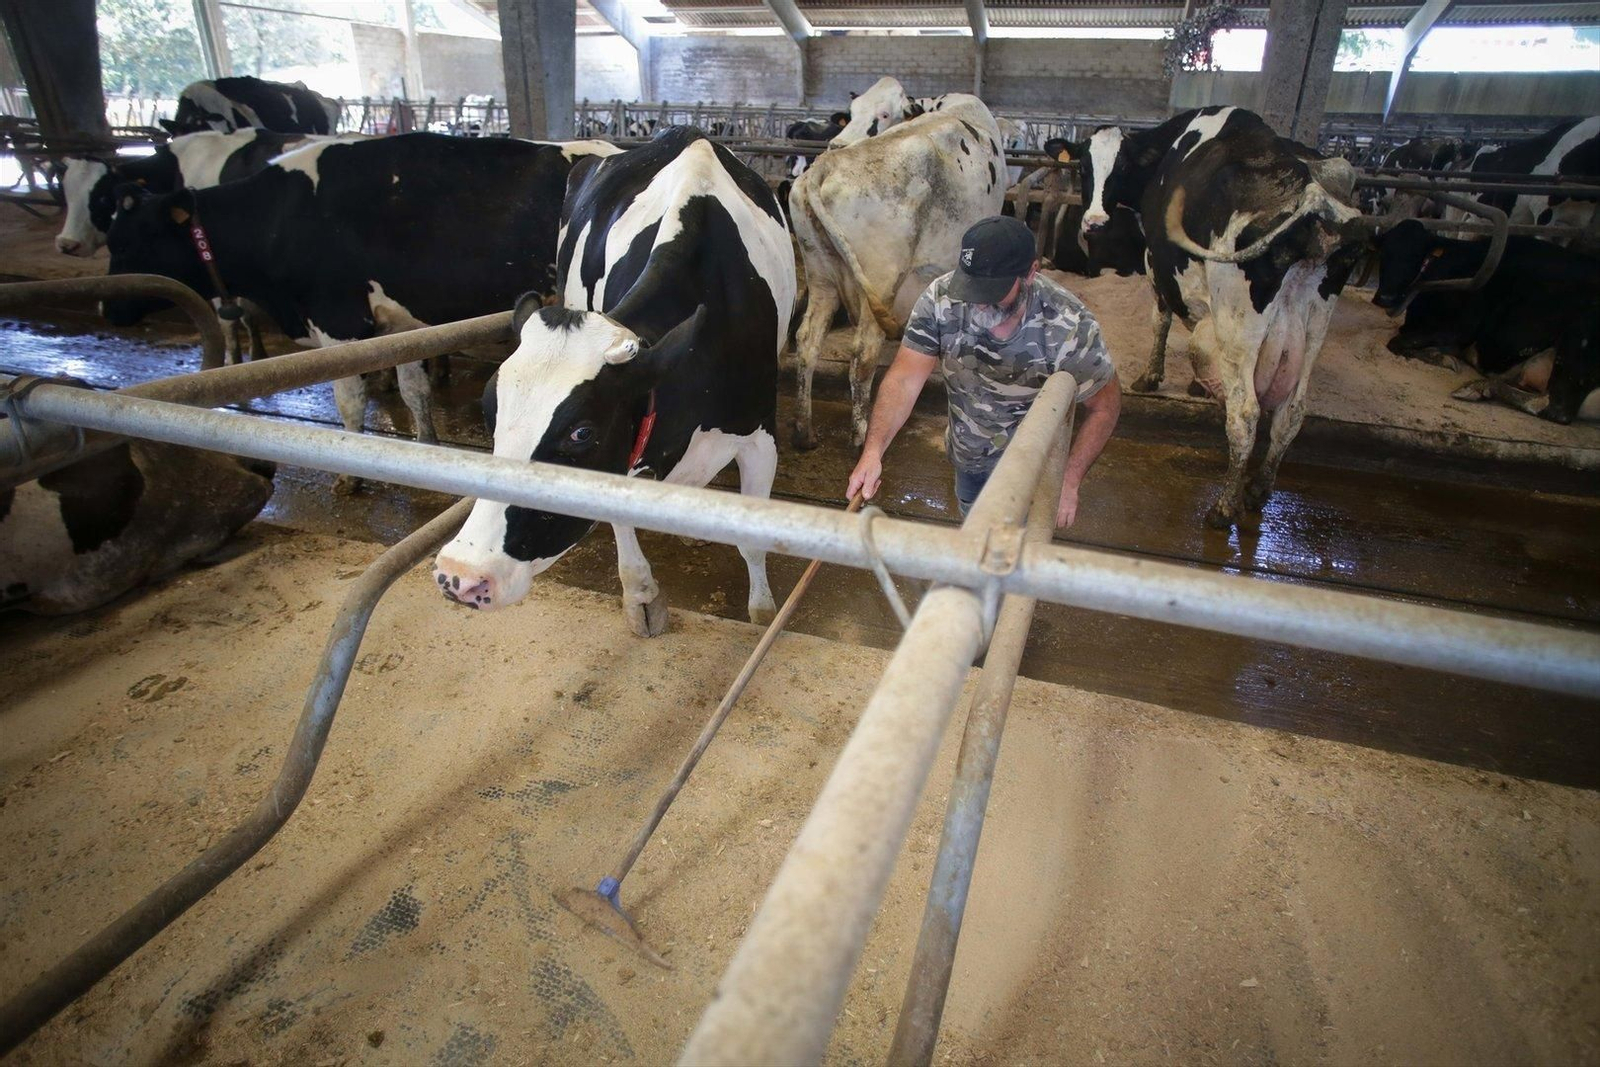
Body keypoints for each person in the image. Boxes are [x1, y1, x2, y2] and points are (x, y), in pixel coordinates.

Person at [846, 215, 1121, 526]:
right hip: (970, 457)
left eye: (991, 290)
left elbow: (1105, 406)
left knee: (1016, 554)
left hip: (1035, 471)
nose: (976, 303)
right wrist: (873, 452)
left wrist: (1069, 479)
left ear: (1029, 273)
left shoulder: (1068, 326)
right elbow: (904, 379)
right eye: (970, 286)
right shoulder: (941, 299)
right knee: (976, 535)